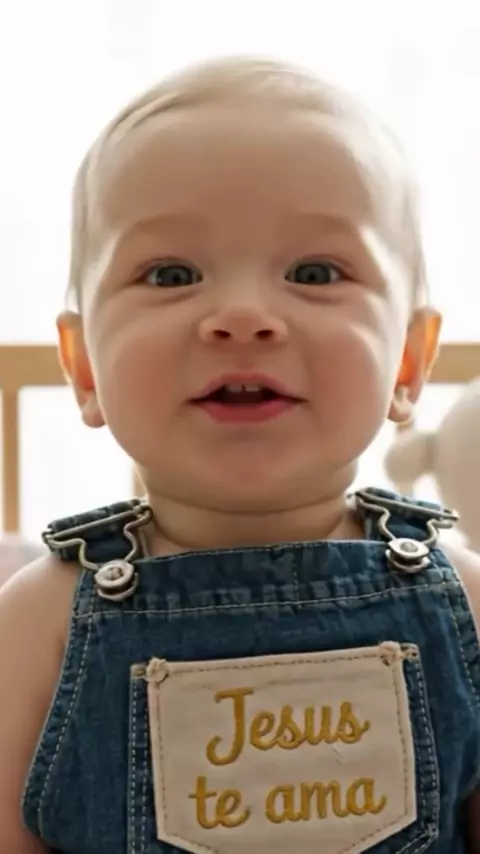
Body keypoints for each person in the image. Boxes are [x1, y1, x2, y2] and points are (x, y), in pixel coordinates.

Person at [1, 56, 480, 854]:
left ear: (406, 362)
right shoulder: (36, 621)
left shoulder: (463, 599)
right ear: (84, 369)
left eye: (315, 272)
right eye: (171, 273)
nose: (244, 314)